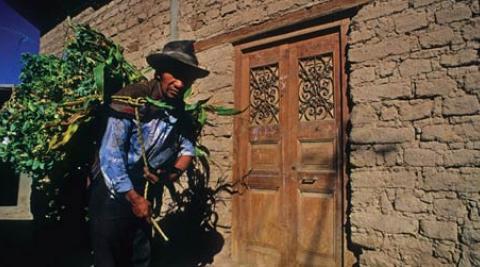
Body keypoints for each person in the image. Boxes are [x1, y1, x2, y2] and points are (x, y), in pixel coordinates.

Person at [88, 40, 209, 267]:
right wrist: (133, 198)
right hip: (111, 187)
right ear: (160, 73)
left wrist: (170, 175)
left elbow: (187, 149)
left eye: (187, 77)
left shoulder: (179, 112)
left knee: (140, 253)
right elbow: (111, 155)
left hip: (144, 190)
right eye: (175, 74)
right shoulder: (132, 99)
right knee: (109, 256)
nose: (180, 83)